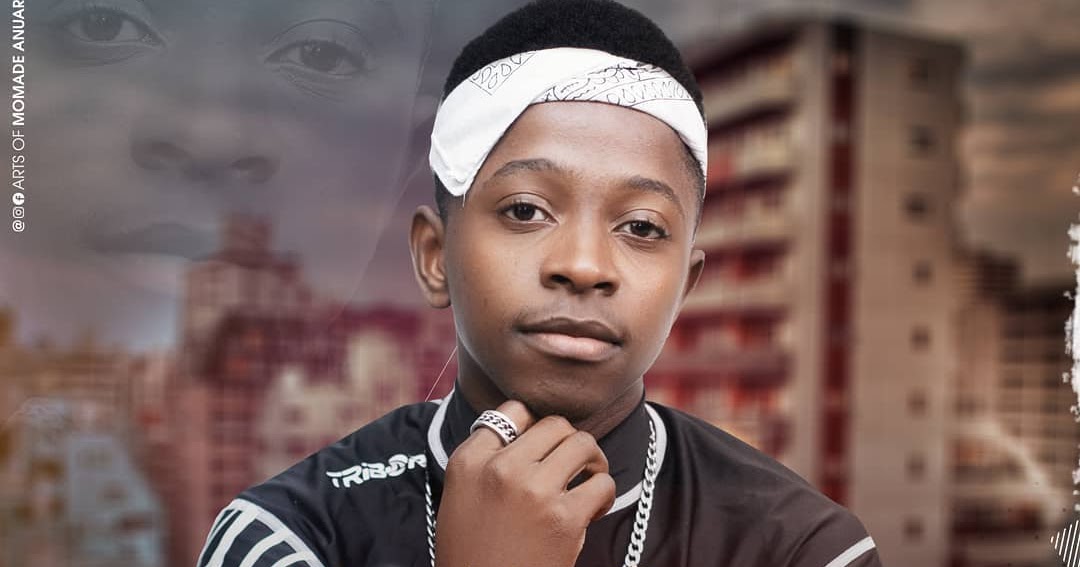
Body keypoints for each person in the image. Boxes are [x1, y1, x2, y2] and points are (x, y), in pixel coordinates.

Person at [197, 1, 884, 565]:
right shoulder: (287, 537)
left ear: (685, 285)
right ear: (435, 257)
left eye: (641, 226)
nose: (583, 265)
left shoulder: (805, 549)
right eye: (526, 210)